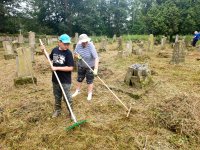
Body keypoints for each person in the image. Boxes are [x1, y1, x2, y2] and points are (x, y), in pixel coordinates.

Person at [41, 34, 74, 118]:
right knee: (57, 96)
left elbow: (70, 68)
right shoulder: (55, 50)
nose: (67, 46)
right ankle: (57, 110)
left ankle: (71, 112)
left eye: (68, 44)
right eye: (65, 44)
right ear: (59, 42)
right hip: (55, 79)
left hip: (65, 80)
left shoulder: (68, 53)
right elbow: (49, 58)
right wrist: (43, 51)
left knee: (67, 97)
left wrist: (56, 68)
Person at [72, 34, 99, 101]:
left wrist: (95, 69)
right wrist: (77, 57)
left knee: (89, 80)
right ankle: (77, 91)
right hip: (81, 65)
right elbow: (75, 54)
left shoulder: (91, 46)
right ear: (81, 42)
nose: (85, 43)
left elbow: (96, 58)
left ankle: (89, 93)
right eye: (83, 42)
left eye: (86, 42)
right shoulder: (78, 45)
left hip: (90, 66)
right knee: (79, 79)